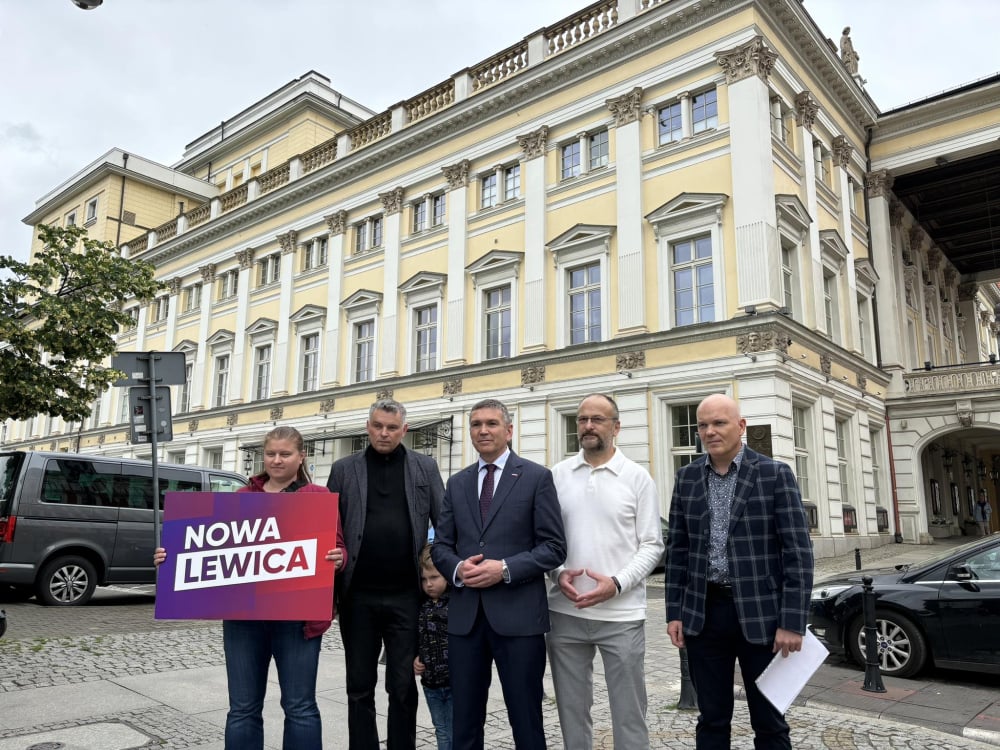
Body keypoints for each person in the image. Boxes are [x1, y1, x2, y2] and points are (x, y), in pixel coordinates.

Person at [154, 425, 346, 750]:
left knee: (300, 707)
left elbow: (337, 547)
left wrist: (338, 557)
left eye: (285, 454)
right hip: (245, 621)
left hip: (298, 621)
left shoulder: (318, 498)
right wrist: (169, 557)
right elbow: (209, 548)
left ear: (301, 457)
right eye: (271, 453)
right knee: (243, 709)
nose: (277, 460)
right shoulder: (243, 498)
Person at [665, 394, 813, 750]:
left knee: (769, 720)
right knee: (712, 719)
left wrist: (792, 621)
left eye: (719, 423)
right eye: (703, 425)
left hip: (762, 617)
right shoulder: (686, 478)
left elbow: (797, 552)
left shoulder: (774, 475)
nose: (710, 431)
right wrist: (675, 613)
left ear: (741, 426)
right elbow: (679, 551)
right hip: (705, 614)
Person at [431, 398, 566, 750]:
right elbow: (440, 546)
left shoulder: (537, 477)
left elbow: (553, 548)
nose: (483, 430)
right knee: (465, 722)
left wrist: (504, 569)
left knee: (526, 720)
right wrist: (458, 569)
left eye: (491, 423)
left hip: (519, 620)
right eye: (476, 424)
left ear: (508, 430)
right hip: (465, 621)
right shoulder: (457, 483)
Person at [547, 393, 664, 750]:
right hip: (563, 612)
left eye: (597, 419)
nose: (588, 426)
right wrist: (557, 573)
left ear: (616, 427)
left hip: (622, 616)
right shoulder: (557, 475)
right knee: (571, 710)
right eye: (582, 419)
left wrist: (615, 584)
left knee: (629, 712)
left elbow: (652, 545)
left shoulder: (637, 478)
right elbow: (545, 540)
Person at [327, 398, 445, 750]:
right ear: (368, 427)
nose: (384, 433)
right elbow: (326, 529)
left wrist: (444, 575)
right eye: (378, 426)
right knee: (359, 685)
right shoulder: (344, 469)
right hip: (357, 597)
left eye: (392, 428)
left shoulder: (425, 467)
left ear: (404, 430)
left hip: (407, 596)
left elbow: (445, 523)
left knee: (403, 685)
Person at [413, 543, 452, 750]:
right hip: (430, 684)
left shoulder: (456, 604)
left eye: (434, 578)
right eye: (424, 579)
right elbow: (421, 638)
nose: (428, 584)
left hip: (454, 682)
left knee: (455, 729)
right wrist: (417, 658)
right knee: (441, 729)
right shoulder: (422, 606)